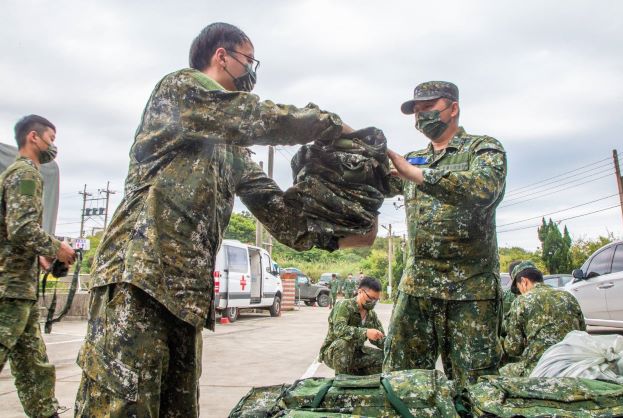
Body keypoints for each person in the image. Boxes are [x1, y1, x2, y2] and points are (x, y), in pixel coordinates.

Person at [73, 22, 373, 417]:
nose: (251, 72)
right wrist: (337, 127)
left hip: (184, 298)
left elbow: (280, 215)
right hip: (137, 278)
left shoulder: (230, 153)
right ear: (221, 56)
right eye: (248, 60)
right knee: (122, 407)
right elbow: (260, 117)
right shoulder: (181, 89)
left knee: (176, 410)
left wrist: (350, 235)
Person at [384, 81, 507, 388]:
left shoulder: (483, 148)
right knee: (401, 382)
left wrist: (416, 174)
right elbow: (375, 184)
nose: (421, 116)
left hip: (469, 292)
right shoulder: (412, 158)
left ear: (453, 109)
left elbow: (484, 187)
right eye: (417, 111)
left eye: (429, 108)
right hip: (418, 288)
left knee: (476, 388)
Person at [0, 115, 77, 418]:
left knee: (33, 365)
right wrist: (57, 248)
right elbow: (21, 229)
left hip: (21, 290)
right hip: (10, 291)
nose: (52, 146)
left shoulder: (17, 174)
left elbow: (13, 232)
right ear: (34, 137)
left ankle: (46, 413)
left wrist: (41, 258)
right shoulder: (25, 175)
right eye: (51, 139)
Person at [500, 261, 586, 377]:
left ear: (524, 282)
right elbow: (582, 334)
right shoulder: (568, 296)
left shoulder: (522, 301)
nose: (520, 292)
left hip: (540, 367)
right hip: (572, 364)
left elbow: (514, 349)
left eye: (518, 287)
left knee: (499, 374)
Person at [319, 276, 385, 375]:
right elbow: (339, 330)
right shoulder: (344, 306)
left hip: (356, 352)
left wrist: (394, 346)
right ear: (360, 291)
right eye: (370, 298)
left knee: (384, 357)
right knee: (343, 343)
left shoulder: (371, 315)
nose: (373, 302)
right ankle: (342, 383)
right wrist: (365, 332)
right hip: (334, 353)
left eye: (376, 300)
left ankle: (358, 378)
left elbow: (381, 339)